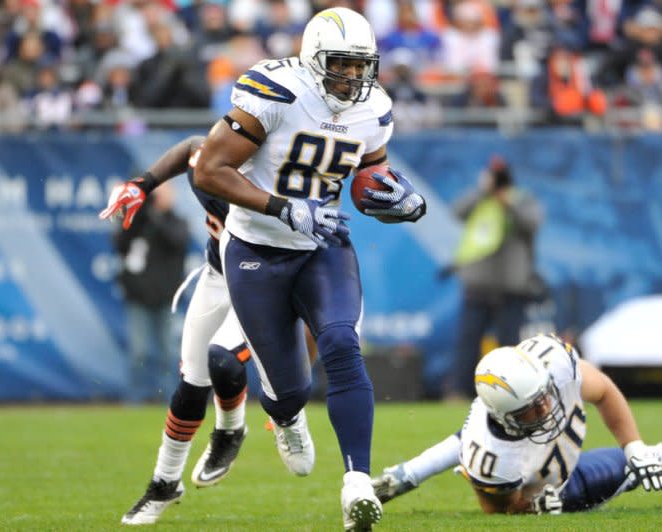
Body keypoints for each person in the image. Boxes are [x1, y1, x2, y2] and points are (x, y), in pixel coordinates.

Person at [193, 7, 426, 531]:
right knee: (290, 391)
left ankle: (357, 483)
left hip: (324, 245)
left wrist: (402, 199)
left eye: (361, 65)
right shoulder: (274, 92)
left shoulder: (373, 108)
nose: (353, 77)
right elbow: (211, 170)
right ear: (315, 58)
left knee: (342, 343)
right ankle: (285, 417)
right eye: (342, 64)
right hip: (258, 251)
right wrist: (281, 206)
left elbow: (371, 175)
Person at [371, 333, 662, 515]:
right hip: (548, 480)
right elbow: (496, 510)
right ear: (503, 416)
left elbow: (603, 391)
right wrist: (531, 508)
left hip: (527, 446)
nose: (546, 409)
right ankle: (640, 466)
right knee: (604, 477)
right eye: (530, 411)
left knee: (631, 458)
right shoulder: (492, 459)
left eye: (544, 397)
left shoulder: (552, 365)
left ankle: (646, 456)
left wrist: (634, 446)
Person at [101, 136, 254, 524]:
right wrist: (142, 185)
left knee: (239, 368)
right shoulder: (214, 160)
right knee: (192, 381)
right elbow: (192, 147)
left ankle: (247, 426)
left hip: (265, 280)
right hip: (219, 274)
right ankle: (164, 482)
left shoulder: (281, 175)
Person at [445, 155, 549, 399]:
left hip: (512, 286)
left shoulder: (522, 200)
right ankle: (459, 392)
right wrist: (482, 191)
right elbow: (457, 211)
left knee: (510, 346)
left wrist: (508, 202)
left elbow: (532, 223)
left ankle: (513, 393)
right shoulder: (480, 199)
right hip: (477, 284)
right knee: (468, 343)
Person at [112, 180, 190, 403]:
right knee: (139, 353)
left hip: (167, 298)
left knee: (169, 352)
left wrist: (156, 215)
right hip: (139, 297)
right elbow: (120, 242)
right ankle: (135, 399)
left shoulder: (177, 221)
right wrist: (136, 210)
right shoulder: (139, 221)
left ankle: (172, 399)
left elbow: (176, 240)